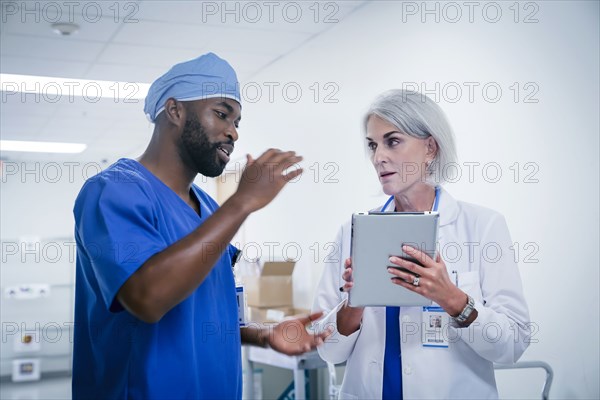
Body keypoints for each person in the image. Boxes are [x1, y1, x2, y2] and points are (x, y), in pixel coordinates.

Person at [72, 53, 328, 399]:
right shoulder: (113, 192)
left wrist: (262, 333)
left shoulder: (208, 209)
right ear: (175, 111)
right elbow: (146, 299)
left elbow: (199, 313)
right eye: (222, 114)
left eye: (237, 121)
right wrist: (242, 203)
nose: (233, 132)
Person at [313, 89, 531, 399]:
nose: (378, 157)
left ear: (430, 147)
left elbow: (513, 344)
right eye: (373, 145)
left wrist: (453, 299)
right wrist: (354, 303)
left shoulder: (482, 227)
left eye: (393, 141)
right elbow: (328, 353)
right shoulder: (351, 233)